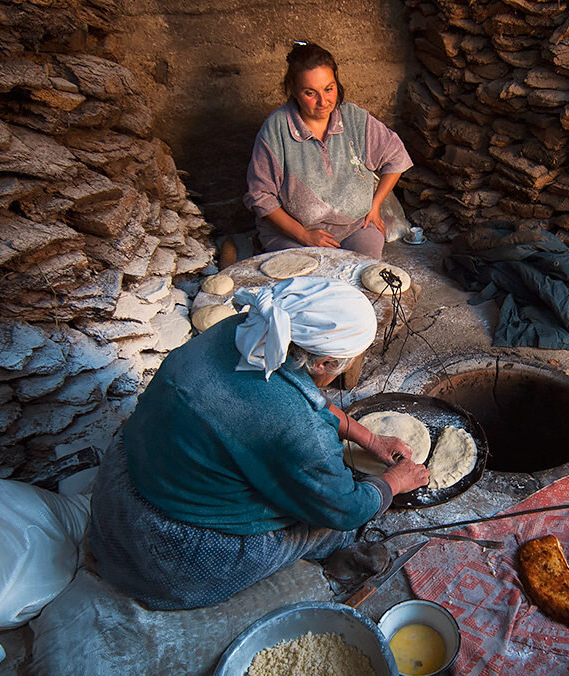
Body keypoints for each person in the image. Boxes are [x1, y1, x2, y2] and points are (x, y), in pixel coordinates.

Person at [85, 277, 430, 610]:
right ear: (324, 363)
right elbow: (345, 508)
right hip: (163, 553)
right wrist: (394, 482)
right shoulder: (298, 428)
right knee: (328, 527)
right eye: (354, 357)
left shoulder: (244, 330)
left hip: (120, 485)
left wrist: (368, 437)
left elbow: (300, 396)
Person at [243, 41, 413, 259]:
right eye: (310, 93)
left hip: (353, 227)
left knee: (366, 273)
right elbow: (260, 196)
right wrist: (304, 235)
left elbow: (396, 157)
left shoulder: (354, 119)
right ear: (294, 91)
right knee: (313, 283)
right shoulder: (276, 128)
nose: (323, 101)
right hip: (293, 234)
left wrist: (375, 205)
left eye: (329, 89)